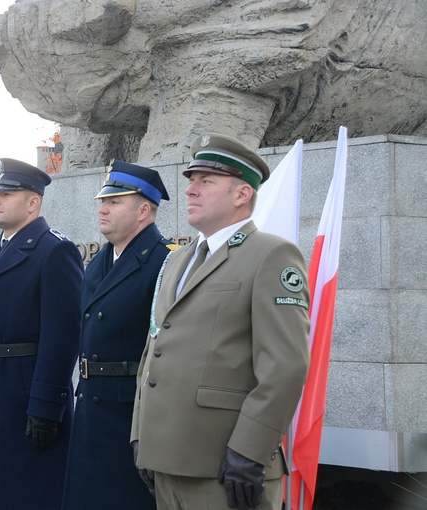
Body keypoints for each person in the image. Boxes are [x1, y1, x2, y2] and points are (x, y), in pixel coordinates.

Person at [130, 133, 311, 510]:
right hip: (166, 460)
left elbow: (285, 365)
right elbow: (154, 351)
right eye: (191, 181)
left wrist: (250, 449)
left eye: (206, 181)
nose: (191, 190)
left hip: (226, 468)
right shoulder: (177, 260)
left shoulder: (272, 255)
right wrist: (141, 437)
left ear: (242, 194)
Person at [0, 158, 84, 510]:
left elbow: (62, 337)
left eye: (6, 193)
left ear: (33, 202)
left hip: (25, 394)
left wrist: (48, 406)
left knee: (24, 492)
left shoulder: (54, 250)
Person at [61, 160, 173, 510]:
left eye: (114, 201)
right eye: (102, 200)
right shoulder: (99, 262)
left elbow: (167, 350)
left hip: (131, 416)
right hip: (92, 410)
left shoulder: (165, 262)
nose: (102, 208)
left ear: (143, 210)